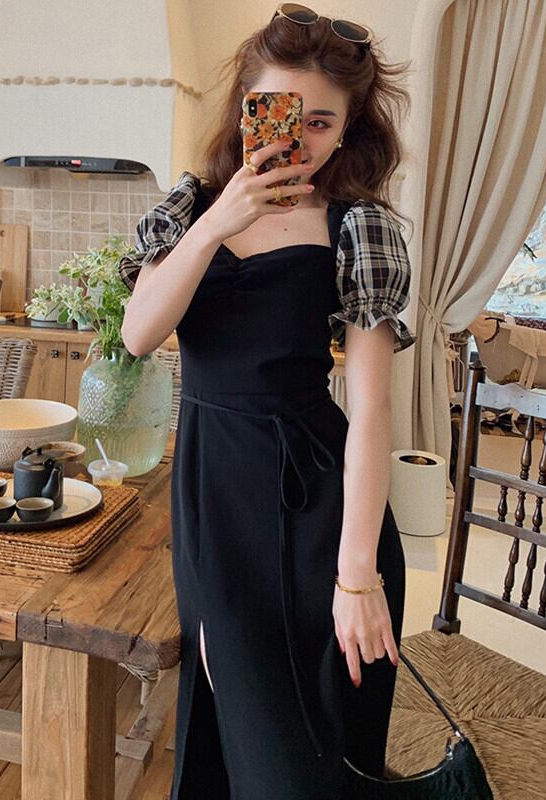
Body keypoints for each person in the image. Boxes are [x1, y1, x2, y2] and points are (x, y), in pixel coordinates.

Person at [119, 5, 417, 798]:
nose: (300, 138)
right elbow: (140, 334)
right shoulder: (190, 211)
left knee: (302, 762)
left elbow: (372, 410)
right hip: (214, 498)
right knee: (235, 734)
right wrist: (221, 220)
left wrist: (358, 575)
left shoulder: (358, 228)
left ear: (347, 131)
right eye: (280, 111)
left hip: (318, 509)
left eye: (323, 122)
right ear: (245, 107)